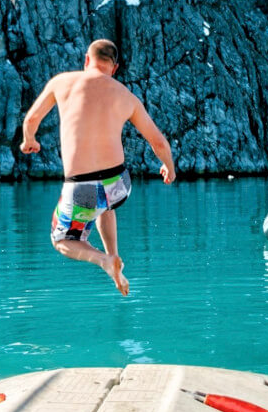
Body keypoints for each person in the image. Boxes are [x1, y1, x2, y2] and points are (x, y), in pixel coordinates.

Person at [19, 39, 176, 296]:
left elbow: (32, 119)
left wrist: (29, 140)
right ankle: (115, 258)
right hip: (120, 183)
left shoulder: (61, 83)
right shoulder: (126, 96)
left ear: (86, 60)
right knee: (105, 205)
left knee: (61, 240)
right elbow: (158, 141)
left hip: (81, 187)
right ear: (115, 68)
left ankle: (104, 260)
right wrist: (169, 168)